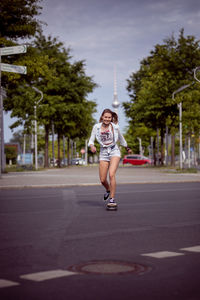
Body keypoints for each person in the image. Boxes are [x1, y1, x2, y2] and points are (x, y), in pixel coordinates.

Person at [88, 108, 132, 208]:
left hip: (114, 151)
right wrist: (92, 146)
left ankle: (112, 199)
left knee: (111, 174)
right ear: (102, 117)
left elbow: (121, 139)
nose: (107, 119)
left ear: (111, 118)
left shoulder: (115, 127)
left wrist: (127, 148)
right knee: (103, 180)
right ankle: (108, 189)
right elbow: (91, 140)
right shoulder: (97, 127)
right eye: (105, 117)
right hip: (103, 152)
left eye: (109, 117)